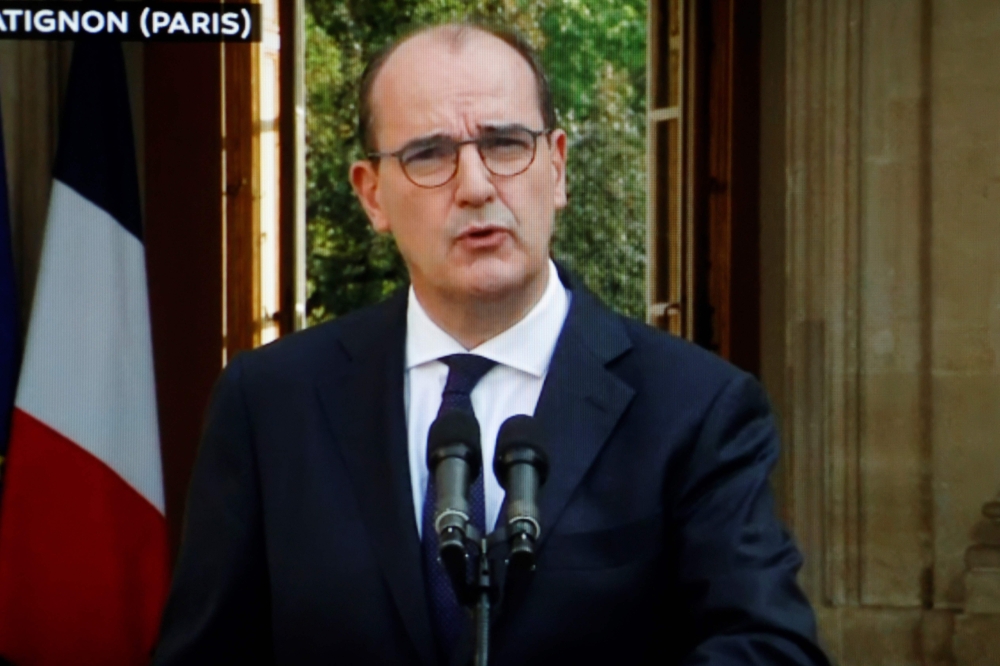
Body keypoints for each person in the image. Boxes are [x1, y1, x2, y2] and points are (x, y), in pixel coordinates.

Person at [154, 22, 829, 666]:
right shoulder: (271, 403)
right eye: (429, 154)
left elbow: (768, 647)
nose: (476, 186)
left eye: (506, 145)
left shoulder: (698, 408)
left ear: (556, 169)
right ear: (372, 196)